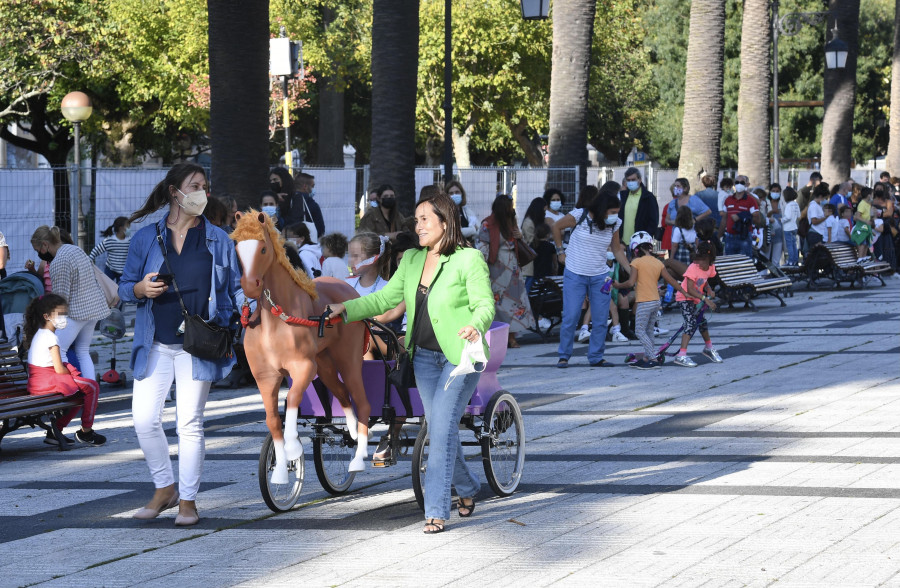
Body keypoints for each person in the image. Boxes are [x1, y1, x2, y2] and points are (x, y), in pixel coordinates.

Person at [326, 192, 495, 534]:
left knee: (441, 430)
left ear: (445, 223)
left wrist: (475, 326)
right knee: (440, 427)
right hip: (425, 359)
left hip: (460, 357)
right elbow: (387, 299)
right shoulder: (413, 260)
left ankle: (435, 510)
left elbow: (485, 304)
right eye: (416, 220)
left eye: (424, 220)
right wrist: (348, 308)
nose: (417, 227)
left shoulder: (469, 258)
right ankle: (468, 488)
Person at [119, 163, 243, 527]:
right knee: (143, 419)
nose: (202, 193)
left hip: (199, 342)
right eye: (194, 186)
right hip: (154, 341)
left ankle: (187, 500)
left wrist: (249, 308)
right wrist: (140, 289)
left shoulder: (217, 237)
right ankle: (164, 487)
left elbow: (234, 287)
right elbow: (126, 286)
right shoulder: (146, 237)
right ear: (175, 192)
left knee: (189, 422)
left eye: (205, 186)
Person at [552, 182, 630, 368]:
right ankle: (564, 355)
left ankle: (596, 356)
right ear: (602, 209)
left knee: (601, 318)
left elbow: (617, 249)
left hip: (600, 276)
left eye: (617, 212)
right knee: (571, 317)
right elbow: (556, 227)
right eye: (612, 212)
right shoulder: (580, 215)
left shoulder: (614, 224)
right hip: (575, 273)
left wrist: (631, 268)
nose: (615, 216)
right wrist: (560, 251)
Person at [23, 293, 105, 446]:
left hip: (38, 381)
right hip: (48, 381)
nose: (64, 317)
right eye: (60, 314)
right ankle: (86, 431)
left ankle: (56, 431)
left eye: (64, 313)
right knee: (92, 386)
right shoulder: (51, 337)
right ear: (47, 316)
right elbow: (60, 369)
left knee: (79, 394)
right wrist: (72, 372)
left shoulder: (40, 334)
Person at [30, 226, 110, 382]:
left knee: (60, 351)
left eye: (37, 249)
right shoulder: (75, 249)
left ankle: (71, 391)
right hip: (94, 308)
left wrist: (51, 322)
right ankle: (91, 391)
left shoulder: (58, 262)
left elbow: (59, 299)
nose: (38, 253)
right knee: (83, 351)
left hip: (76, 312)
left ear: (45, 245)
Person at [612, 232, 687, 370]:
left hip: (644, 302)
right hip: (656, 302)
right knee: (649, 330)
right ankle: (648, 356)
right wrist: (683, 291)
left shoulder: (636, 262)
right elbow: (670, 280)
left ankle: (652, 358)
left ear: (635, 249)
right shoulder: (658, 262)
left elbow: (630, 283)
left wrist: (617, 285)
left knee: (640, 331)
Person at [478, 194, 534, 349]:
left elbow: (518, 243)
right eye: (510, 206)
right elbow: (482, 248)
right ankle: (500, 338)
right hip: (496, 270)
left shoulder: (511, 222)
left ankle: (511, 337)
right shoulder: (488, 224)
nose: (512, 209)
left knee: (515, 303)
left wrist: (520, 236)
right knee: (499, 305)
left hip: (513, 269)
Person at [673, 240, 721, 368]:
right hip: (685, 297)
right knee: (690, 323)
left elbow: (704, 281)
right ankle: (681, 355)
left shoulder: (711, 268)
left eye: (703, 260)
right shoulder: (693, 267)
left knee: (702, 322)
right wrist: (705, 299)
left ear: (710, 259)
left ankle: (708, 348)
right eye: (698, 259)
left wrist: (709, 289)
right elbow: (690, 289)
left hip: (696, 298)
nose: (699, 262)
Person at [269, 167, 325, 240]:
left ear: (284, 180)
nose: (272, 183)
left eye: (275, 180)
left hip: (294, 242)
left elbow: (292, 222)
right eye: (271, 181)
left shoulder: (296, 198)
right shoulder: (270, 198)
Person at [618, 167, 659, 246]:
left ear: (639, 180)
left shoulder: (648, 197)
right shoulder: (623, 196)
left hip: (640, 243)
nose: (630, 182)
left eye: (633, 180)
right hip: (622, 243)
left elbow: (653, 221)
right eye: (628, 180)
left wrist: (645, 239)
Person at [719, 176, 757, 256]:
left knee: (745, 264)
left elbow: (757, 217)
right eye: (737, 182)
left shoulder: (751, 200)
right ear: (734, 184)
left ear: (746, 184)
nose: (739, 184)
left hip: (745, 237)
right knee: (729, 264)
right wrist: (719, 236)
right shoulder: (728, 199)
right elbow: (724, 219)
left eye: (742, 182)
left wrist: (741, 215)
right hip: (730, 237)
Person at [89, 217, 132, 282]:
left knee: (120, 289)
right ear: (121, 228)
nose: (129, 229)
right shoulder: (110, 241)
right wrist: (89, 261)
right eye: (128, 226)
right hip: (110, 269)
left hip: (123, 272)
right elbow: (96, 250)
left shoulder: (130, 241)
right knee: (106, 287)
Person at [520, 197, 547, 293]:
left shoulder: (534, 222)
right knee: (526, 290)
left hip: (536, 262)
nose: (545, 213)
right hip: (530, 263)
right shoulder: (529, 223)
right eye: (544, 211)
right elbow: (531, 241)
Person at [759, 184, 785, 264]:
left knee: (776, 260)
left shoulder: (782, 203)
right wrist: (772, 212)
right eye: (773, 191)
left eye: (777, 191)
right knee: (765, 258)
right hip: (767, 234)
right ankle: (763, 275)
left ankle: (775, 275)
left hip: (779, 235)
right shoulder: (765, 203)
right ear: (770, 192)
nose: (775, 193)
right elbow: (762, 217)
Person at [781, 187, 802, 266]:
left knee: (789, 245)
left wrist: (781, 220)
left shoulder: (788, 205)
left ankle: (790, 261)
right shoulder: (796, 204)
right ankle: (795, 260)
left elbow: (788, 217)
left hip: (788, 228)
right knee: (794, 245)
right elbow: (799, 215)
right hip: (794, 227)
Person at [806, 184, 829, 249]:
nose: (826, 200)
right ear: (821, 196)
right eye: (825, 198)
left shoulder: (819, 206)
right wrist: (825, 217)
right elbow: (814, 221)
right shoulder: (814, 206)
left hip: (820, 233)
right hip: (815, 234)